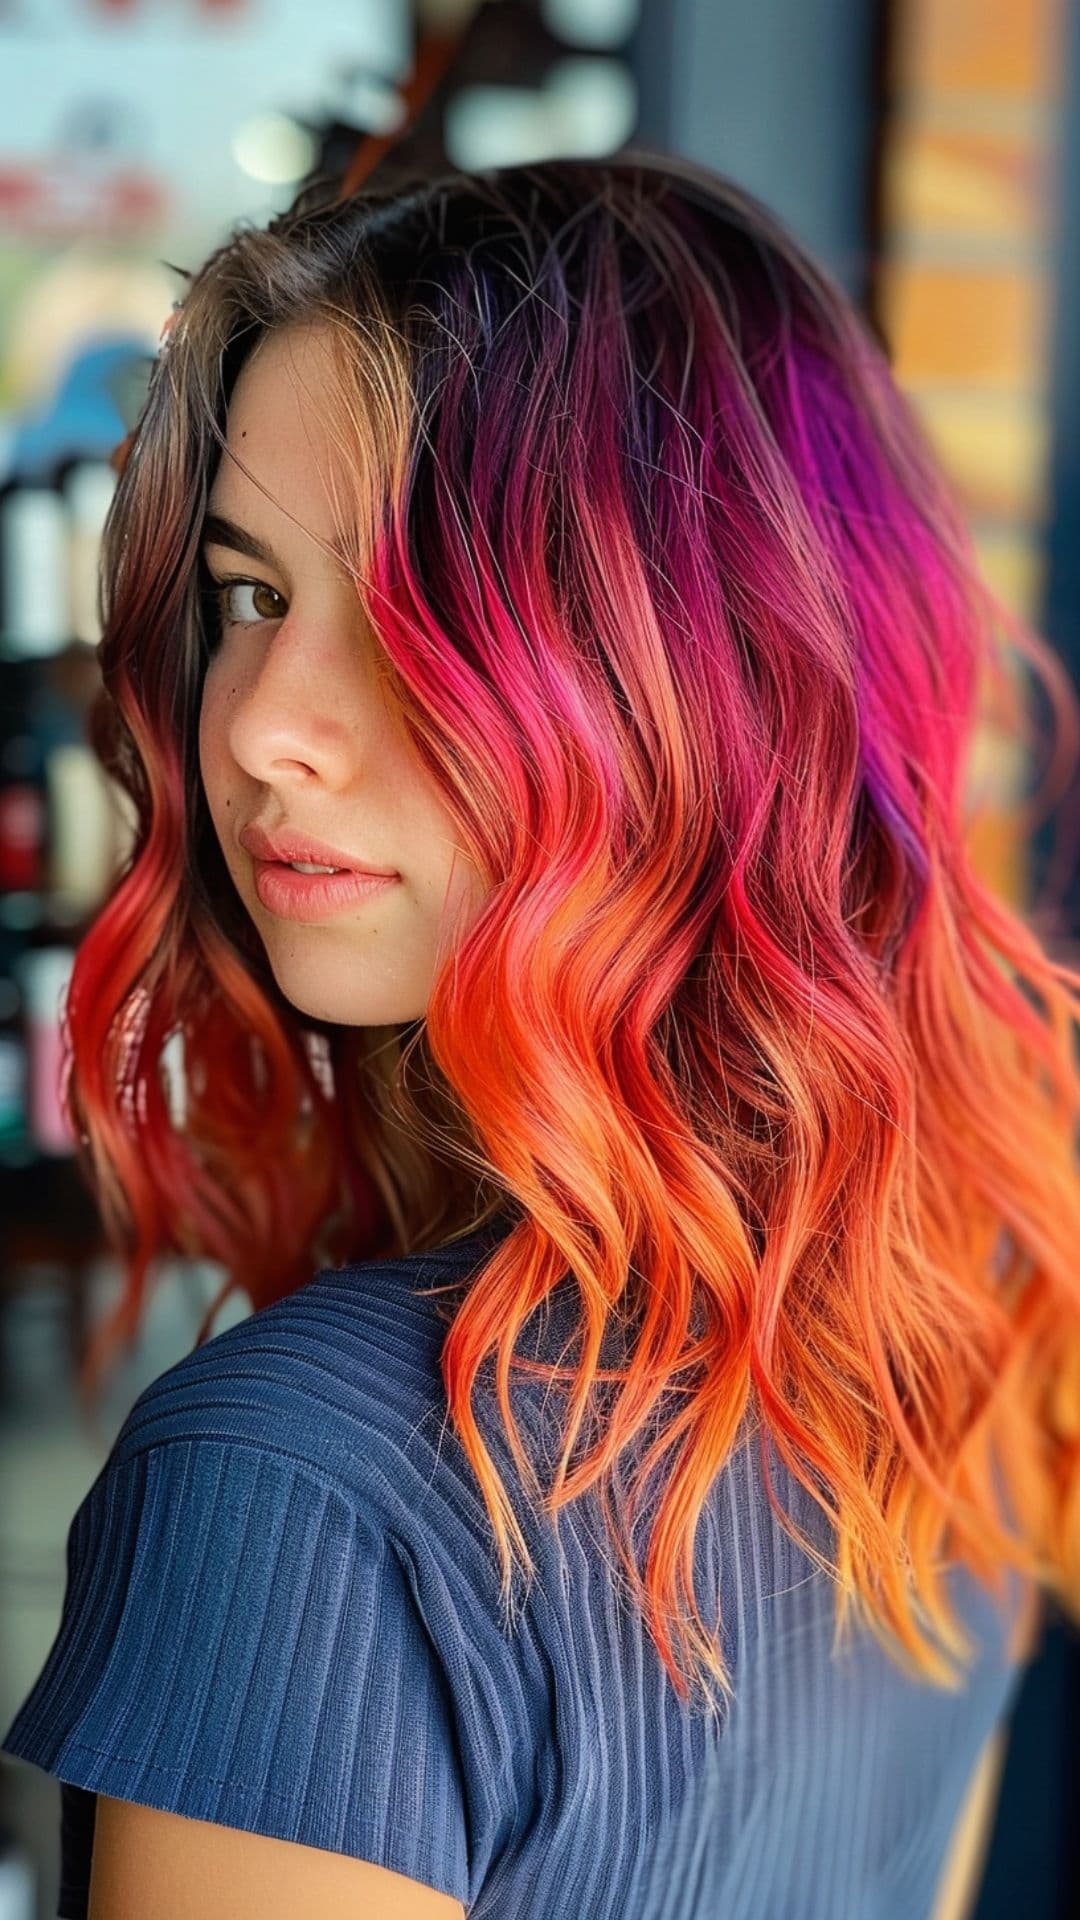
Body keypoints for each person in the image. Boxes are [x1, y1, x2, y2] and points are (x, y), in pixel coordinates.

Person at [2, 151, 1078, 1920]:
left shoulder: (299, 1491)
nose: (264, 725)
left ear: (704, 674)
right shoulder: (959, 1305)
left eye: (416, 608)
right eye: (253, 596)